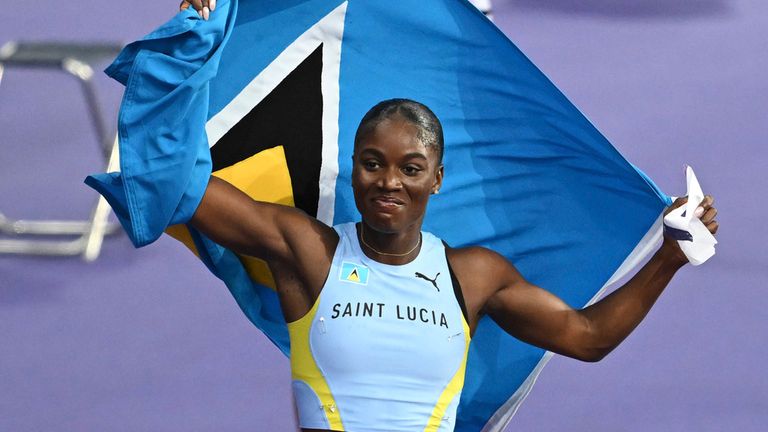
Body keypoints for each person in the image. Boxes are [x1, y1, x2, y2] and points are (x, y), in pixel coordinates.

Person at [168, 3, 719, 431]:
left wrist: (669, 258)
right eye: (372, 164)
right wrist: (194, 45)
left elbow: (586, 335)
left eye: (410, 168)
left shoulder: (474, 276)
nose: (388, 181)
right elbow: (176, 182)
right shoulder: (306, 251)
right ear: (353, 170)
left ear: (436, 179)